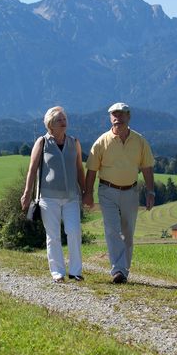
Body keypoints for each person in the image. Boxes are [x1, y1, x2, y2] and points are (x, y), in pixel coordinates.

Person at [83, 102, 154, 284]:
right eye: (114, 115)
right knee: (112, 230)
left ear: (128, 117)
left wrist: (151, 192)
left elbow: (147, 167)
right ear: (110, 118)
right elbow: (91, 170)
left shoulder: (139, 141)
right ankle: (118, 271)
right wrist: (88, 193)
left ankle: (124, 270)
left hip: (131, 191)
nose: (118, 118)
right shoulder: (101, 142)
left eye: (121, 115)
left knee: (128, 233)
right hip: (107, 191)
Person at [21, 106, 86, 283]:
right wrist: (27, 193)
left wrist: (86, 191)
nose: (63, 122)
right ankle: (57, 272)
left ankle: (76, 271)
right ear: (50, 123)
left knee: (74, 232)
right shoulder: (42, 142)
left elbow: (80, 168)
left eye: (64, 119)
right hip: (48, 197)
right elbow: (32, 169)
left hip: (71, 196)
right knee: (53, 235)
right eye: (59, 120)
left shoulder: (74, 142)